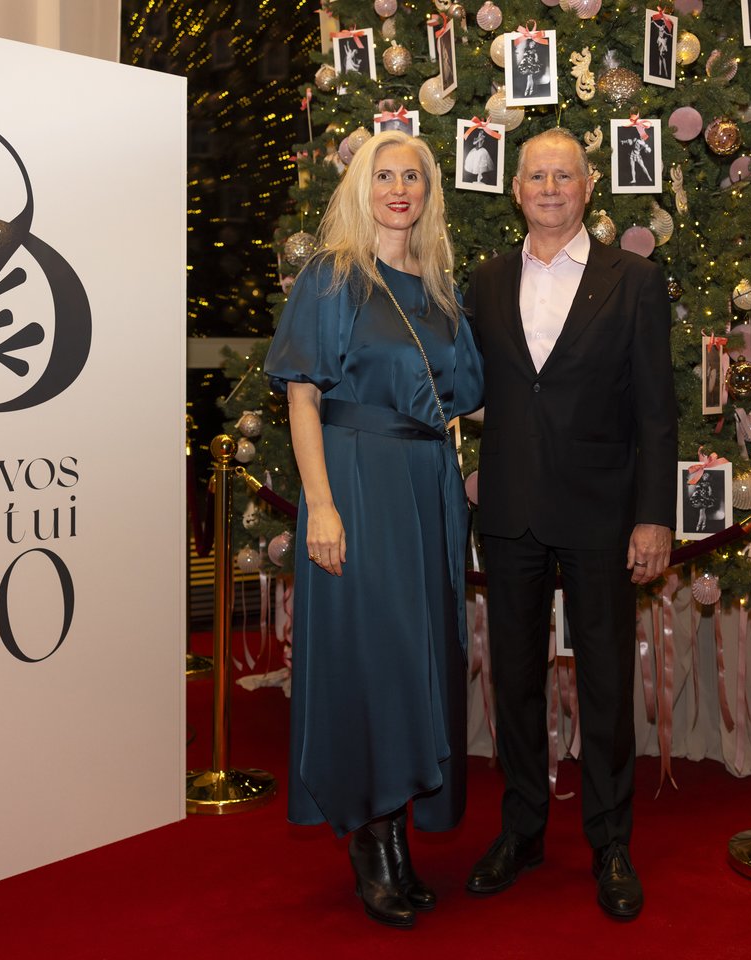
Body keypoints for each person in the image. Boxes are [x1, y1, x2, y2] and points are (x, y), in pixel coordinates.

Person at [265, 130, 483, 929]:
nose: (399, 189)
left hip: (428, 487)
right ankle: (372, 838)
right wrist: (320, 503)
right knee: (375, 654)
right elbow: (302, 396)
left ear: (429, 192)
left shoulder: (440, 289)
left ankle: (396, 840)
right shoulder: (332, 276)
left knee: (420, 654)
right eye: (385, 175)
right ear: (363, 187)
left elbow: (469, 398)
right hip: (357, 481)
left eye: (412, 177)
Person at [464, 128, 677, 921]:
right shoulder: (486, 280)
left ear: (588, 187)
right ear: (516, 189)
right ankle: (522, 831)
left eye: (564, 175)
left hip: (602, 512)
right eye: (536, 175)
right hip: (511, 510)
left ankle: (611, 842)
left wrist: (653, 517)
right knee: (515, 678)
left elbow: (656, 411)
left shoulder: (635, 280)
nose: (550, 187)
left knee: (606, 682)